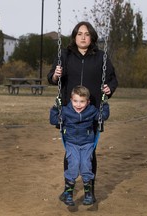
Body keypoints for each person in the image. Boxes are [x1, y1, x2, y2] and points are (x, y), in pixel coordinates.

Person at [47, 21, 118, 203]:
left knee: (89, 151)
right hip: (70, 110)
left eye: (86, 34)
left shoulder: (101, 57)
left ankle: (89, 191)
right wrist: (56, 74)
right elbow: (51, 78)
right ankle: (68, 190)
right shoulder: (65, 55)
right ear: (74, 36)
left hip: (91, 110)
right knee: (70, 151)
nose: (83, 37)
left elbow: (112, 79)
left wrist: (109, 88)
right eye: (79, 34)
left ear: (92, 37)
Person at [49, 85, 110, 206]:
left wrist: (105, 104)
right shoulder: (66, 111)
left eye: (82, 102)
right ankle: (68, 192)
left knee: (86, 166)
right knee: (74, 164)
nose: (78, 105)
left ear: (87, 102)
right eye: (75, 101)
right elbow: (53, 120)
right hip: (72, 143)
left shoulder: (91, 111)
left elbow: (103, 116)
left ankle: (88, 192)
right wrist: (56, 107)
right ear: (71, 100)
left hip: (87, 143)